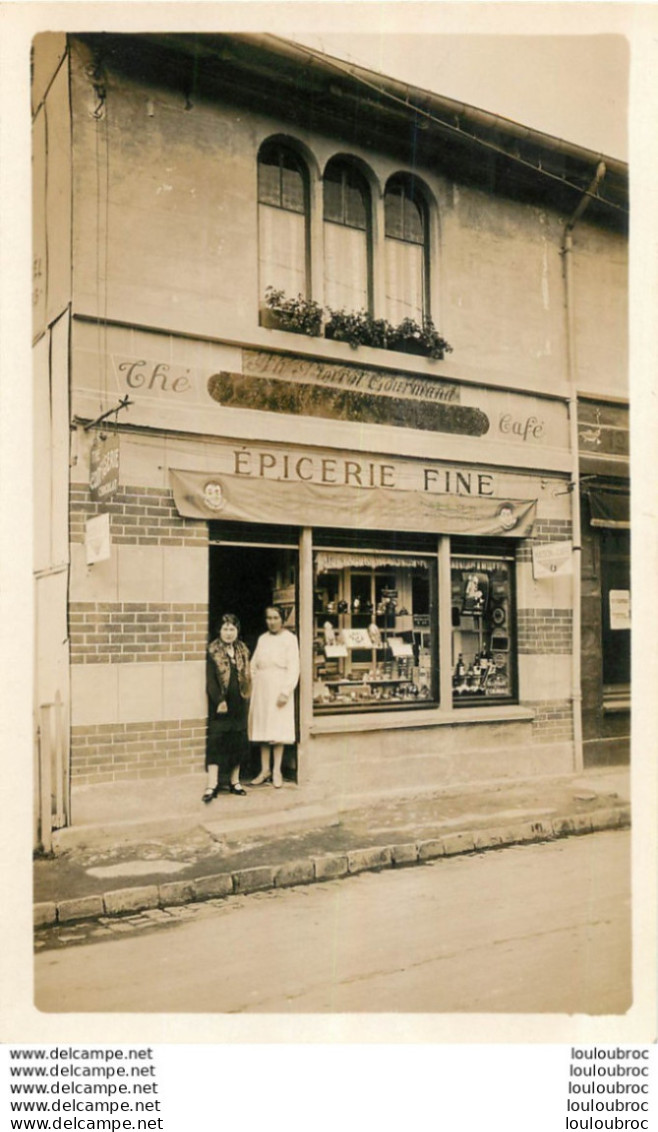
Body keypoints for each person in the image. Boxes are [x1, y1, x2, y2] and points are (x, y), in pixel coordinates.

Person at [249, 605, 300, 788]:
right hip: (262, 689)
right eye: (269, 618)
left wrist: (286, 691)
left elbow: (294, 667)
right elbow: (253, 664)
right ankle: (265, 770)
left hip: (279, 688)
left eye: (275, 618)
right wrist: (255, 682)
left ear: (282, 619)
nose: (272, 622)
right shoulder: (263, 639)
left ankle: (277, 770)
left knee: (278, 731)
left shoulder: (290, 639)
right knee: (264, 729)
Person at [203, 613, 251, 802]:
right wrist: (219, 700)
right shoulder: (213, 651)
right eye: (225, 629)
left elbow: (248, 675)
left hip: (239, 703)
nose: (229, 633)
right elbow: (211, 681)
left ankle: (235, 781)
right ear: (219, 631)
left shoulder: (243, 650)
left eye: (232, 629)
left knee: (237, 742)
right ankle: (212, 784)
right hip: (221, 706)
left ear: (237, 631)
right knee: (217, 742)